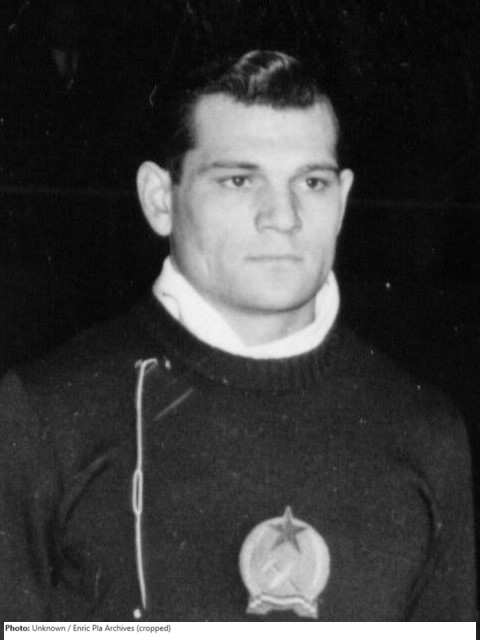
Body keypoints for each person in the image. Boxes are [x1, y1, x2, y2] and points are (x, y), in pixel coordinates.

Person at [0, 50, 476, 622]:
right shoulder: (43, 417)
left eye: (312, 182)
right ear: (160, 199)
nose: (283, 216)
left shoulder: (425, 432)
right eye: (239, 180)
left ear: (343, 201)